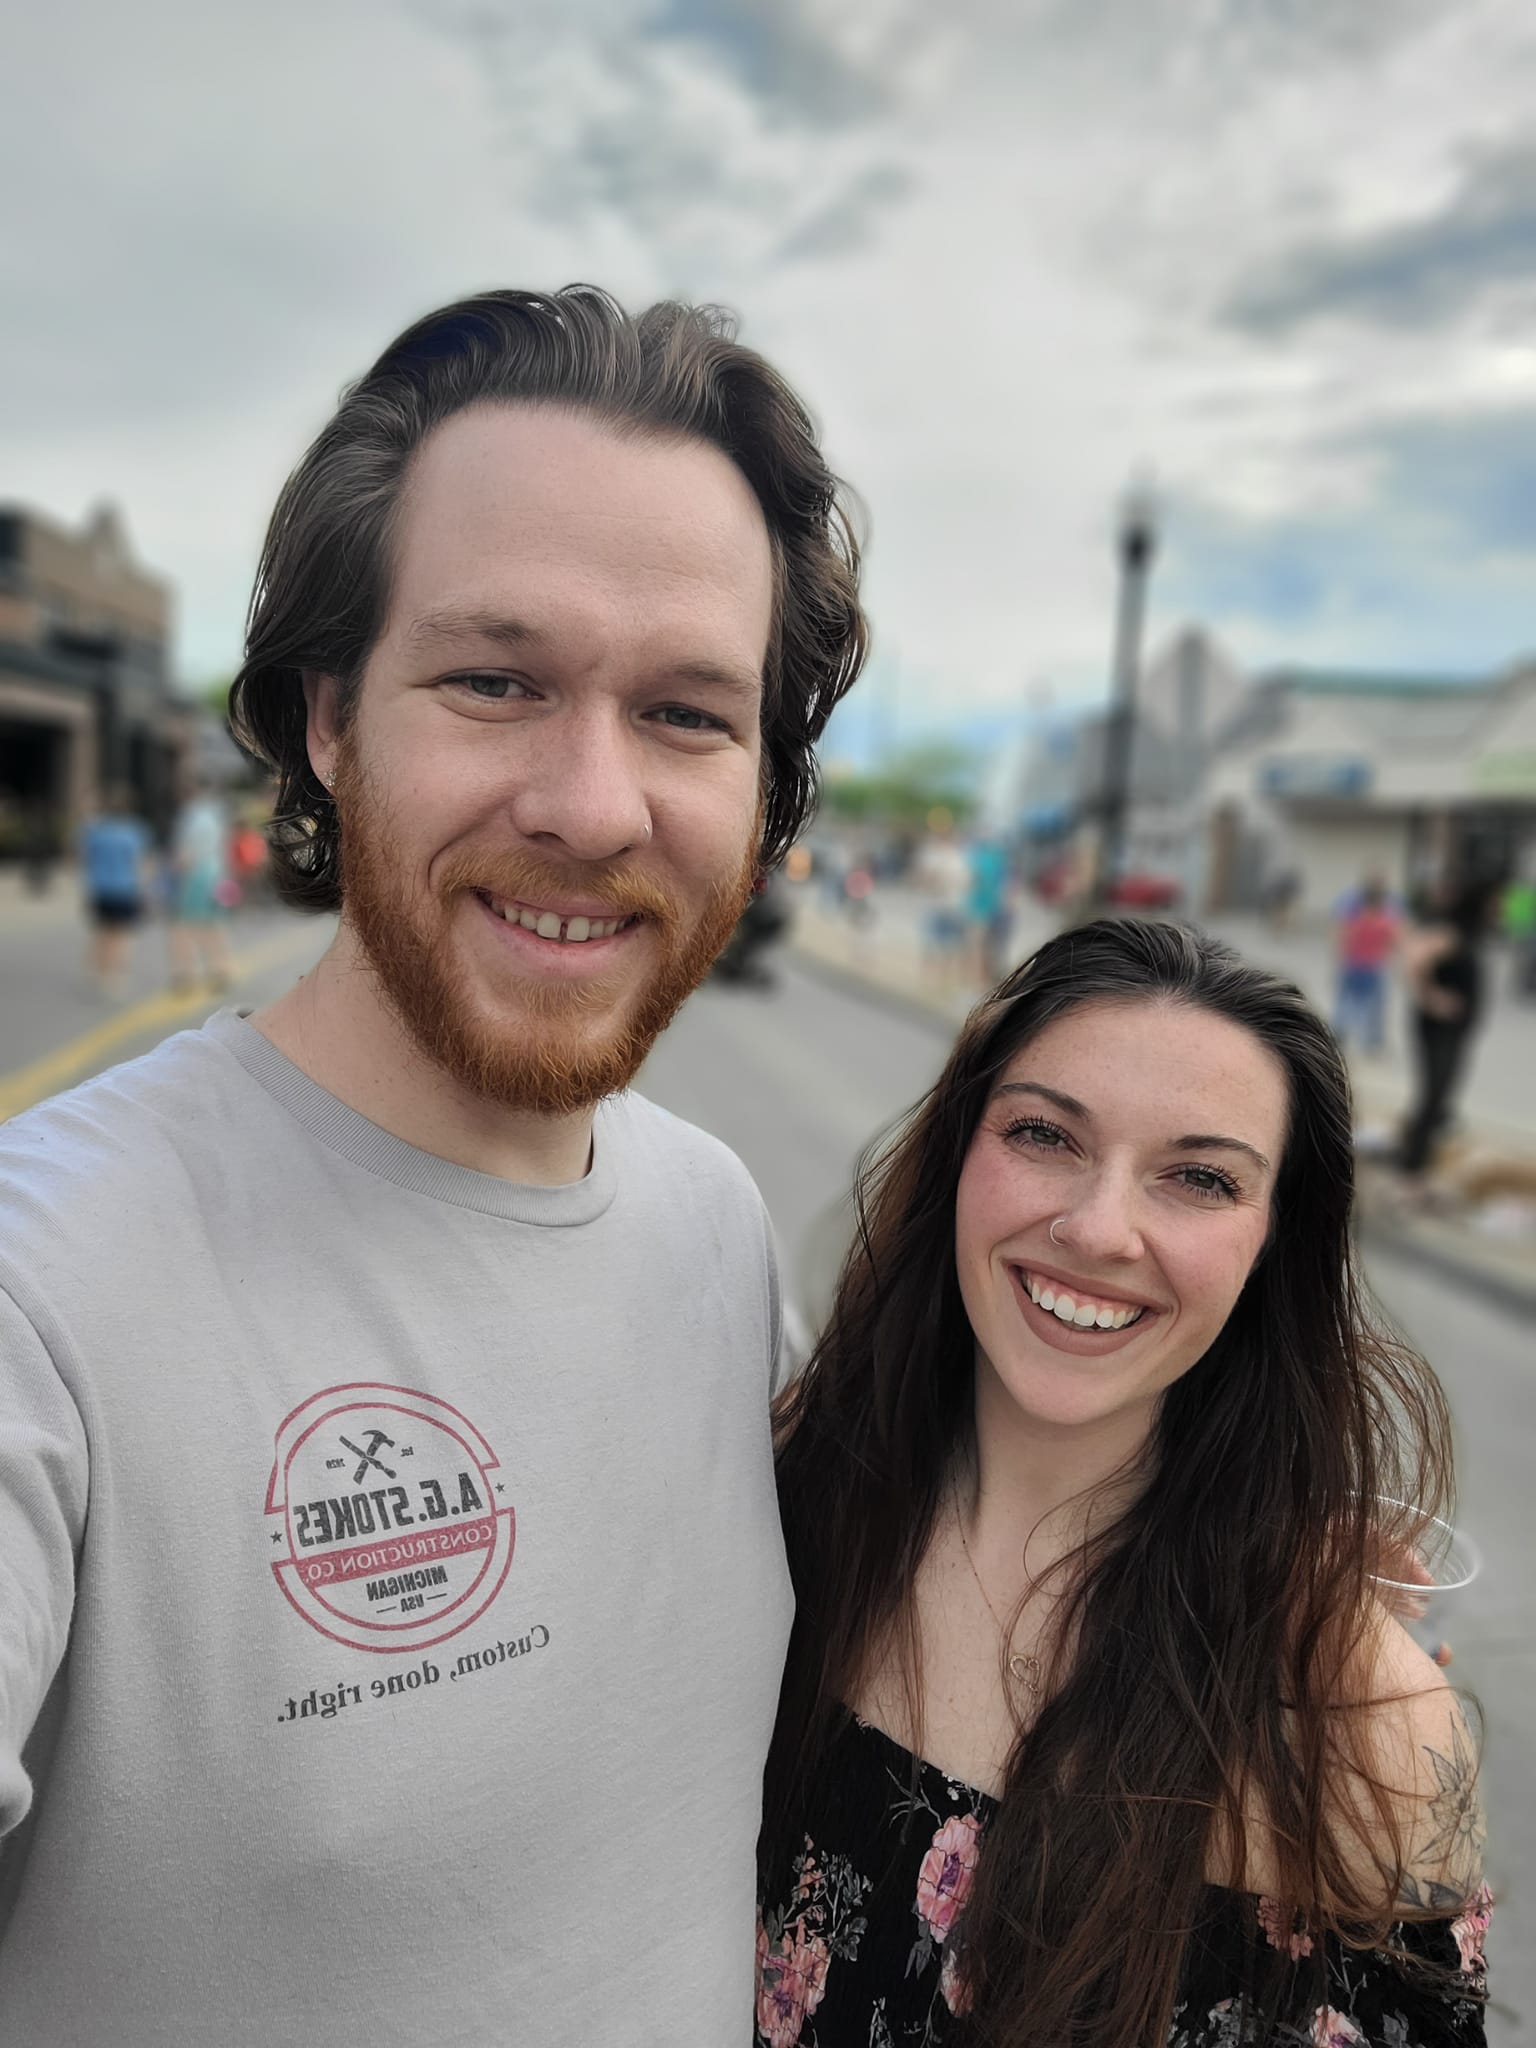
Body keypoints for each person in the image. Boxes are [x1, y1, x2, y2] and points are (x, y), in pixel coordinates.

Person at [0, 286, 866, 2042]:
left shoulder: (712, 1220)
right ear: (329, 720)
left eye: (689, 713)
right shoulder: (47, 1288)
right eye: (495, 680)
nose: (593, 805)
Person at [759, 918, 1489, 2048]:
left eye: (1199, 1177)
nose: (1099, 1229)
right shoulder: (781, 1510)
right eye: (1044, 1132)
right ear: (959, 1154)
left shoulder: (1353, 1722)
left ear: (1273, 1242)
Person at [1399, 880, 1497, 1182]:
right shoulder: (1453, 930)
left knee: (1441, 1096)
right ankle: (1413, 1163)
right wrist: (1432, 998)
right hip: (1437, 1028)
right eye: (1494, 903)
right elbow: (1413, 959)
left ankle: (1419, 1154)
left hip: (1454, 1029)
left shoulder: (1471, 932)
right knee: (1434, 1094)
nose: (1499, 909)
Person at [78, 785, 151, 997]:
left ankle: (96, 971)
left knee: (102, 932)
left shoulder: (95, 831)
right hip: (125, 888)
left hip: (100, 888)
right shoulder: (135, 831)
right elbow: (140, 863)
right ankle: (114, 978)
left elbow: (83, 857)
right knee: (121, 936)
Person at [167, 778, 235, 991]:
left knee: (184, 925)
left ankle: (187, 973)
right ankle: (222, 968)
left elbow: (185, 855)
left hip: (195, 876)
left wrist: (173, 872)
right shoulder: (215, 815)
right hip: (216, 873)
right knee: (213, 923)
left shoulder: (190, 817)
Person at [1333, 874, 1400, 1055]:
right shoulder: (1385, 922)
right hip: (1373, 968)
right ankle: (1372, 1040)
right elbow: (1394, 942)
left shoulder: (1356, 919)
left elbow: (1344, 939)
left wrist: (1341, 959)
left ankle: (1342, 1032)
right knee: (1373, 1006)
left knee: (1347, 1001)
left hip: (1353, 965)